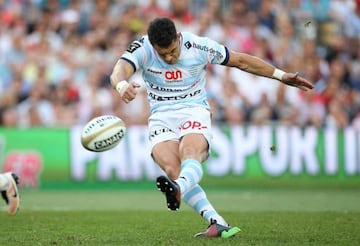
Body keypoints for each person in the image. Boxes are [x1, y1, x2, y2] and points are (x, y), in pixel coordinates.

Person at [110, 17, 313, 238]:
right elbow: (119, 70)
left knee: (189, 153)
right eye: (162, 54)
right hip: (161, 116)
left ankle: (178, 189)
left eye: (172, 51)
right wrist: (122, 86)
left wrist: (280, 75)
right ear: (152, 45)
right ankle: (217, 222)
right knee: (172, 169)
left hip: (194, 109)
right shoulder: (144, 47)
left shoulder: (198, 46)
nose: (168, 58)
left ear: (178, 38)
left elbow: (241, 61)